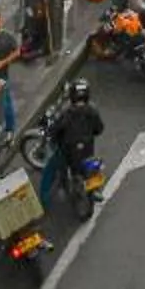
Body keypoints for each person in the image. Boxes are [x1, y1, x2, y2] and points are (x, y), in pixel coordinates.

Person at [49, 77, 105, 216]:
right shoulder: (92, 110)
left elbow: (55, 131)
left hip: (69, 151)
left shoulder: (66, 113)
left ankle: (63, 186)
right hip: (87, 149)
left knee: (62, 165)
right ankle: (94, 189)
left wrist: (55, 138)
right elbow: (99, 129)